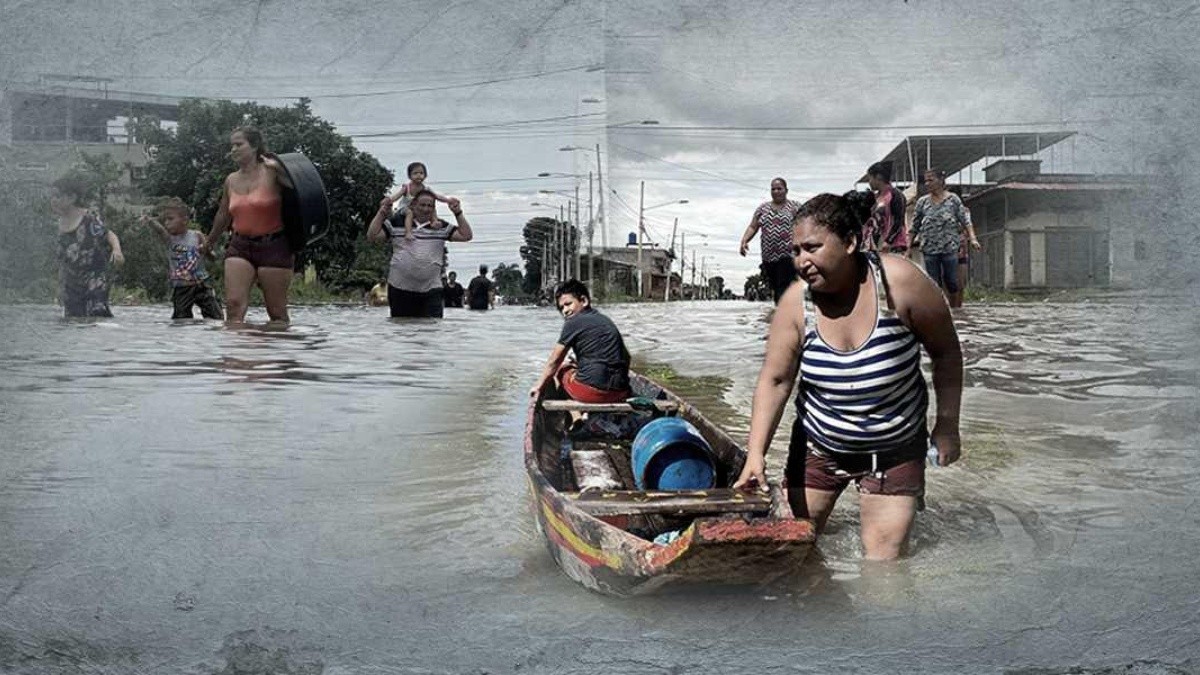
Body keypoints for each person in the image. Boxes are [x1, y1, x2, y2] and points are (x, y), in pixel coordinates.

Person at [734, 193, 966, 561]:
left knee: (884, 568)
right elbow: (775, 380)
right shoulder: (796, 304)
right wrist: (755, 455)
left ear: (851, 242)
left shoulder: (901, 283)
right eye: (796, 251)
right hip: (819, 446)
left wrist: (947, 426)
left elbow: (946, 354)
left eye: (812, 247)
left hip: (894, 449)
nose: (801, 261)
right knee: (791, 552)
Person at [203, 126, 295, 324]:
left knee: (276, 311)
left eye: (239, 144)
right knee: (233, 306)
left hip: (274, 246)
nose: (233, 150)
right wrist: (209, 242)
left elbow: (298, 188)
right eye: (232, 146)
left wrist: (280, 168)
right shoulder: (231, 180)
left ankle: (279, 344)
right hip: (240, 246)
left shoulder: (272, 172)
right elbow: (223, 214)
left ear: (254, 146)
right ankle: (235, 344)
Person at [366, 190, 473, 318]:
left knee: (432, 327)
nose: (426, 209)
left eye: (430, 206)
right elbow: (372, 236)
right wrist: (382, 212)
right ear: (413, 205)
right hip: (400, 289)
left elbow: (466, 235)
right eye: (422, 205)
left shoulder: (440, 226)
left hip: (431, 290)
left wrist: (458, 213)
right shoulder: (397, 223)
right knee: (401, 327)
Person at [530, 279, 631, 403]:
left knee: (561, 370)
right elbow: (627, 357)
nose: (565, 311)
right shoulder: (605, 320)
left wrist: (538, 386)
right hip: (621, 392)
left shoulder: (573, 322)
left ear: (584, 301)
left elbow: (554, 361)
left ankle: (575, 413)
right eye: (561, 308)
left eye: (568, 304)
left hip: (592, 393)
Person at [51, 174, 123, 318]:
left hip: (94, 276)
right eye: (52, 196)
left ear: (72, 198)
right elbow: (61, 260)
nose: (53, 200)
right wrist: (59, 285)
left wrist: (117, 250)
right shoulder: (56, 224)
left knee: (97, 314)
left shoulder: (88, 217)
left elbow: (108, 234)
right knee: (72, 319)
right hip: (71, 282)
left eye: (58, 196)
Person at [139, 197, 223, 320]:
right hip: (181, 287)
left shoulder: (197, 236)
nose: (166, 223)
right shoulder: (170, 239)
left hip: (202, 285)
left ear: (184, 220)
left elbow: (212, 257)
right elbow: (160, 230)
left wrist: (206, 250)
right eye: (165, 220)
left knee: (215, 317)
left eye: (170, 219)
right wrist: (150, 221)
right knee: (180, 319)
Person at [911, 169, 981, 303]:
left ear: (941, 180)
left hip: (950, 248)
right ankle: (940, 309)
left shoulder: (953, 200)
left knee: (952, 282)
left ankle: (956, 309)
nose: (927, 183)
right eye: (926, 181)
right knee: (934, 283)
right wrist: (908, 247)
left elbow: (966, 221)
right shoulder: (922, 202)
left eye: (930, 180)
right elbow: (914, 226)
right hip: (929, 249)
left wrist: (973, 239)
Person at [740, 177, 802, 304]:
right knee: (776, 286)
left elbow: (807, 223)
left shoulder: (795, 207)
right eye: (773, 189)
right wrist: (744, 241)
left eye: (779, 189)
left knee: (783, 286)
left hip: (789, 255)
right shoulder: (762, 209)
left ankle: (784, 311)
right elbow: (753, 227)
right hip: (768, 257)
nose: (776, 191)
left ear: (786, 190)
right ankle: (784, 310)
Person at [384, 162, 460, 241]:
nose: (419, 175)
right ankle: (408, 232)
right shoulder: (407, 187)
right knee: (409, 213)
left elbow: (437, 196)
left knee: (431, 207)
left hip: (419, 210)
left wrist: (448, 200)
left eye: (421, 173)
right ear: (409, 176)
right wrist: (389, 201)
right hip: (405, 208)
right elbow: (397, 196)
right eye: (415, 173)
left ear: (425, 175)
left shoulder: (426, 189)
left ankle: (434, 222)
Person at [863, 161, 909, 254]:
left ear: (878, 177)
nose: (869, 182)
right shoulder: (876, 197)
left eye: (870, 179)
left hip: (894, 245)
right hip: (877, 245)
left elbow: (898, 220)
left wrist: (888, 241)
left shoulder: (896, 195)